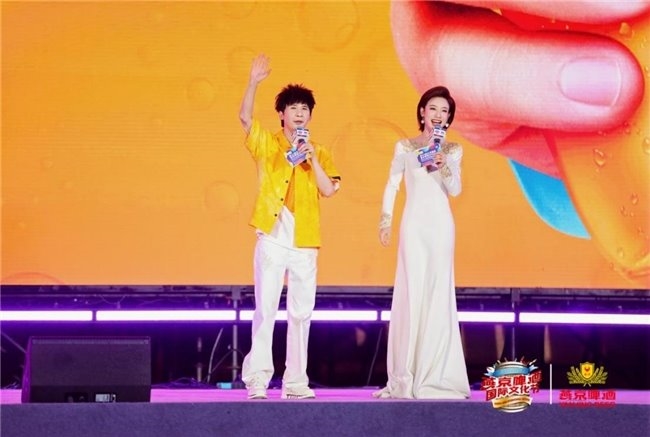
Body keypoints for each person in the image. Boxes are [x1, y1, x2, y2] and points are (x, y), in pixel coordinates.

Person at [238, 54, 341, 400]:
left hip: (305, 240)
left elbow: (329, 189)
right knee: (266, 308)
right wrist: (253, 82)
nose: (299, 113)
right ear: (281, 114)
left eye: (304, 109)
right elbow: (244, 118)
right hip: (272, 235)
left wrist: (311, 159)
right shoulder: (268, 144)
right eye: (293, 108)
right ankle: (258, 379)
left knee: (301, 313)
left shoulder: (319, 151)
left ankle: (295, 381)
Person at [374, 86, 470, 399]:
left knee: (437, 294)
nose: (438, 115)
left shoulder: (453, 150)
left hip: (441, 228)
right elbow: (392, 185)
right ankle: (405, 375)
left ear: (449, 117)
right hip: (413, 227)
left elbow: (455, 190)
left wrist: (444, 164)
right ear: (422, 112)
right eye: (433, 109)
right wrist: (386, 221)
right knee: (412, 292)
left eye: (444, 111)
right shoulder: (405, 147)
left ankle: (435, 375)